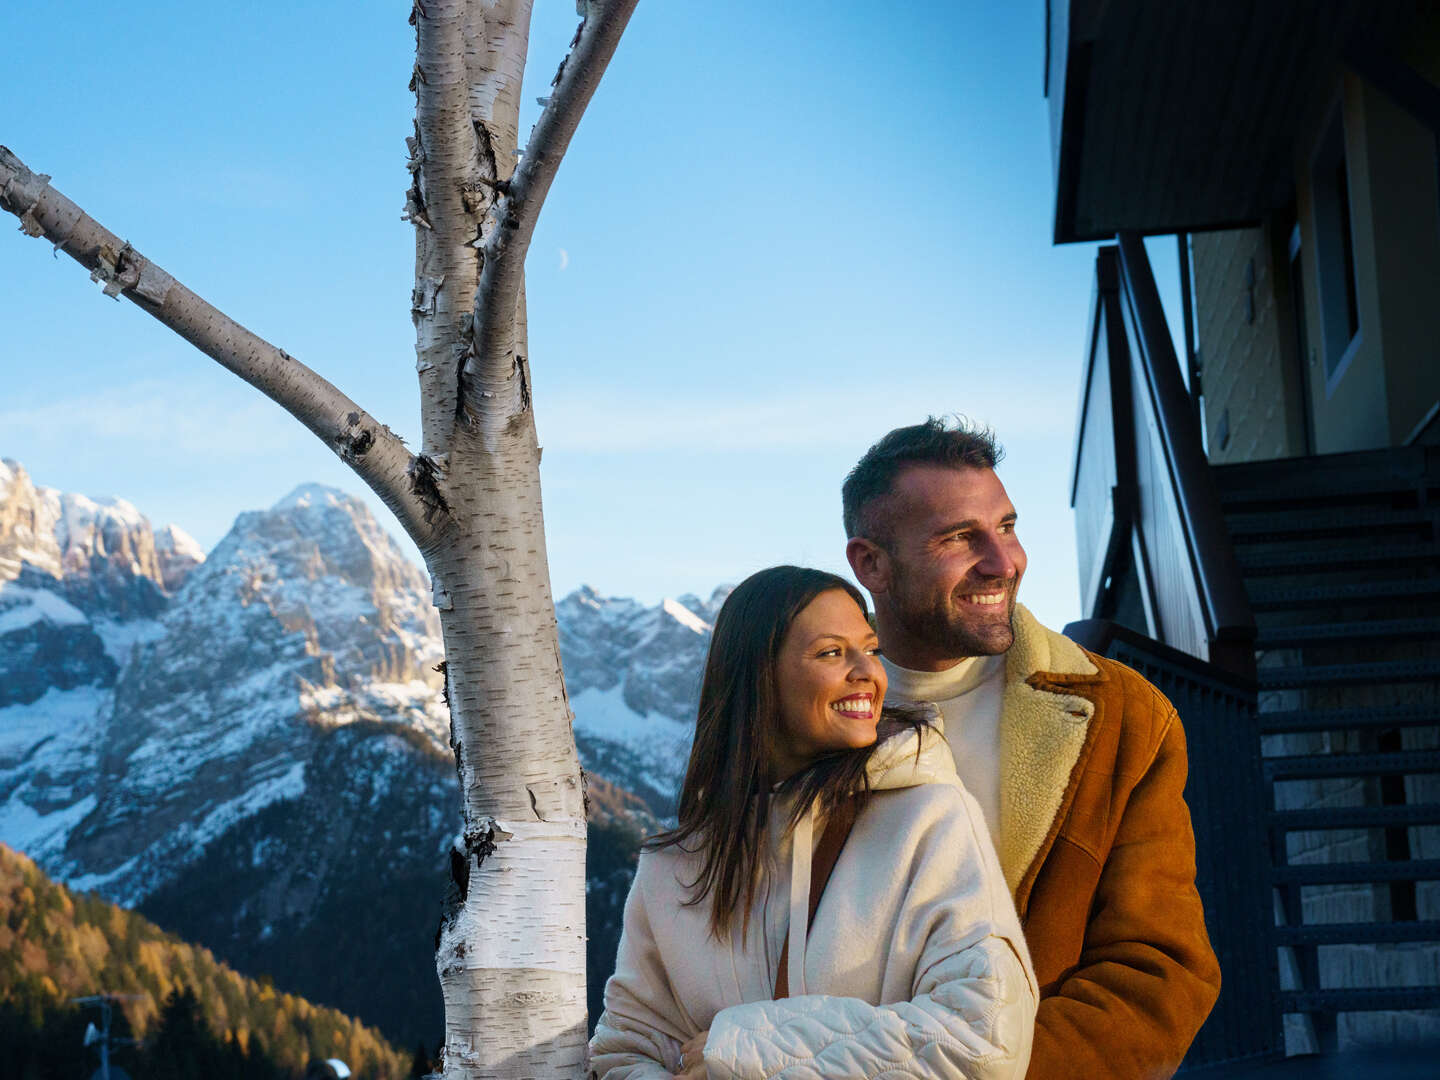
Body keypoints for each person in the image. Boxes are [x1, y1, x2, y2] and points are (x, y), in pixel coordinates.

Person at [841, 417, 1221, 1080]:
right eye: (961, 538)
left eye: (1008, 527)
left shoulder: (1121, 717)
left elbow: (1159, 974)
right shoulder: (784, 717)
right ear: (870, 563)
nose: (1003, 561)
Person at [589, 565, 1036, 1080]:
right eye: (830, 653)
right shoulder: (675, 863)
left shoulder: (928, 818)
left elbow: (985, 1043)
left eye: (870, 648)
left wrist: (743, 1047)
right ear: (757, 676)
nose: (867, 671)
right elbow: (623, 1055)